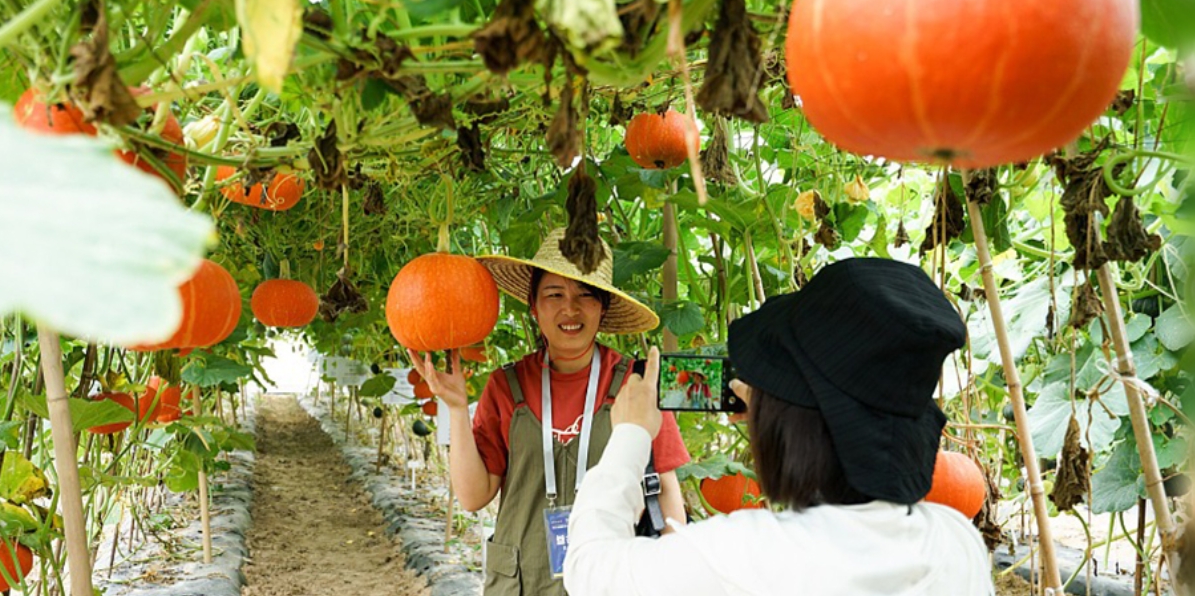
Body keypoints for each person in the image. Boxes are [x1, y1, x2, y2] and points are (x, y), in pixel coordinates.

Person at [562, 258, 995, 595]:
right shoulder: (957, 543)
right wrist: (781, 411)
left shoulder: (744, 555)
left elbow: (589, 569)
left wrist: (631, 437)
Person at [409, 228, 691, 596]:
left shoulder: (637, 385)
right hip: (520, 583)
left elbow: (666, 491)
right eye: (554, 294)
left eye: (585, 296)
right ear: (533, 305)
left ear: (603, 307)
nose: (569, 309)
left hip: (610, 583)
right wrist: (458, 409)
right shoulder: (506, 386)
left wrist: (666, 575)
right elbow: (474, 496)